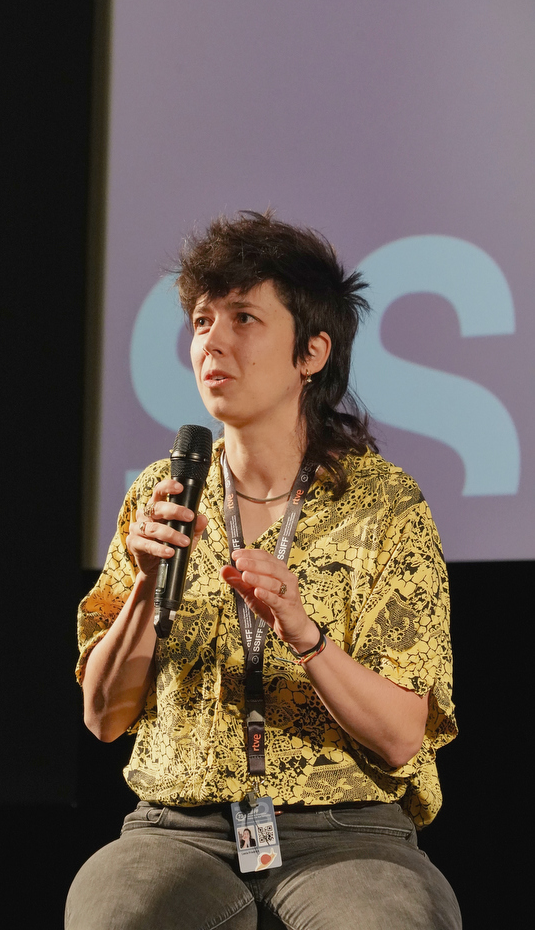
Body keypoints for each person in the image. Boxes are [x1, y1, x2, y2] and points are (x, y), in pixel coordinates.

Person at [66, 211, 461, 929]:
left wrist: (307, 636)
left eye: (243, 318)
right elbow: (103, 717)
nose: (211, 342)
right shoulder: (162, 494)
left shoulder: (384, 505)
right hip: (179, 826)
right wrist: (148, 587)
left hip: (347, 831)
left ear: (312, 352)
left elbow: (404, 735)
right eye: (201, 321)